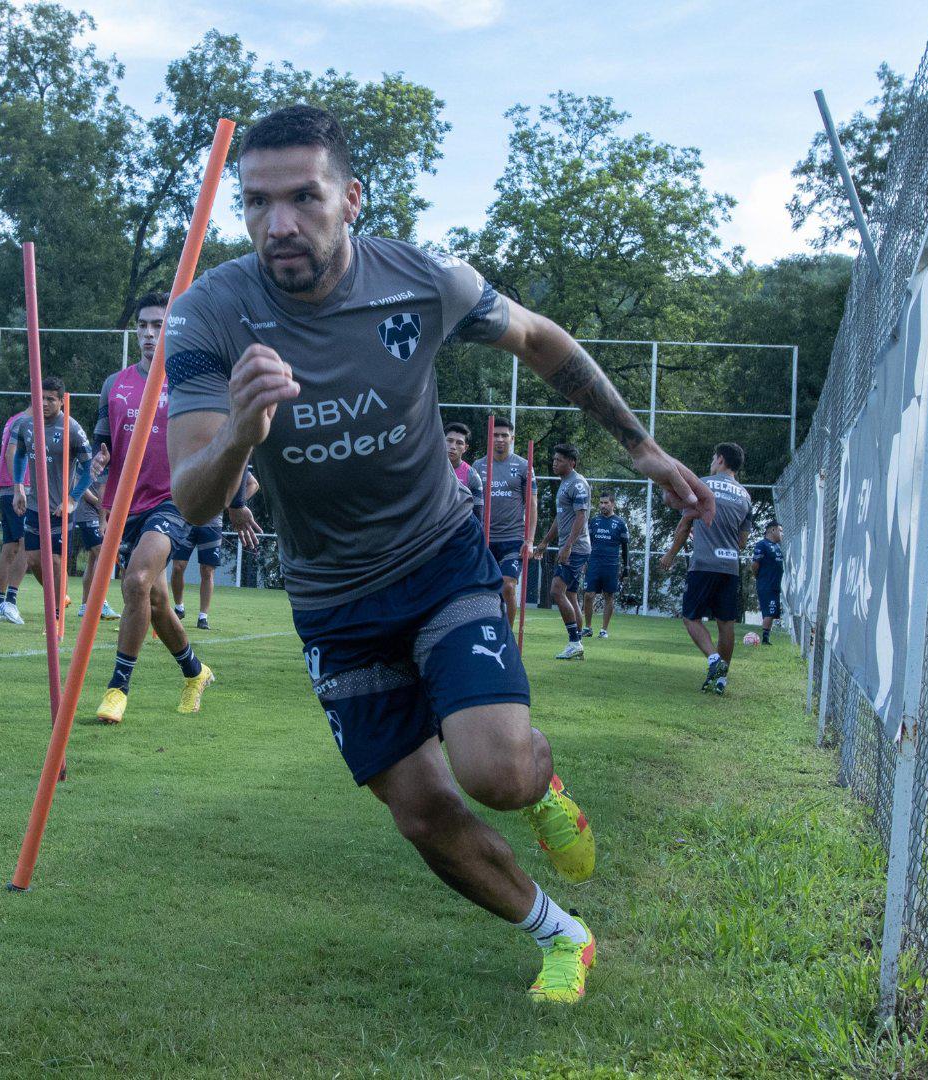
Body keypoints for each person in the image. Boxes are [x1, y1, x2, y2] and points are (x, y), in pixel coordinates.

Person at [164, 106, 712, 1005]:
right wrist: (239, 434)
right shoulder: (209, 314)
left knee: (493, 772)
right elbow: (193, 495)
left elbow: (539, 338)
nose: (281, 225)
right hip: (333, 598)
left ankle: (541, 790)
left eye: (304, 197)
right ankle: (563, 936)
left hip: (438, 556)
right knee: (419, 810)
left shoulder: (421, 279)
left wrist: (640, 444)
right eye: (257, 203)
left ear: (351, 198)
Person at [91, 293, 215, 724]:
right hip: (127, 502)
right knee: (156, 598)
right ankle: (195, 672)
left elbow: (216, 440)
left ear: (171, 329)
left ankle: (117, 688)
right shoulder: (115, 384)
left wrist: (233, 500)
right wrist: (98, 460)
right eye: (143, 325)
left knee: (137, 579)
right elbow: (101, 442)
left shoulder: (189, 380)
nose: (148, 334)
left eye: (158, 325)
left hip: (175, 499)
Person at [661, 442, 752, 694]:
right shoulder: (745, 495)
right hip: (730, 566)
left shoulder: (703, 486)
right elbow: (742, 541)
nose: (712, 461)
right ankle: (721, 681)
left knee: (691, 617)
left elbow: (684, 524)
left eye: (714, 457)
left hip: (703, 564)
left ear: (720, 459)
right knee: (726, 623)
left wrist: (670, 554)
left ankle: (714, 661)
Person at [8, 377, 93, 628]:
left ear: (61, 400)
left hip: (59, 508)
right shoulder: (26, 424)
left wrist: (72, 498)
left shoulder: (72, 428)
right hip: (35, 504)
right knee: (33, 559)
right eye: (40, 397)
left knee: (55, 561)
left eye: (50, 399)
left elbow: (89, 468)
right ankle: (58, 596)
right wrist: (18, 488)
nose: (44, 403)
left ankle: (56, 615)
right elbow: (20, 454)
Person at [170, 468, 258, 630]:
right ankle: (179, 607)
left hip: (211, 524)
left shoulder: (223, 458)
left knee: (207, 570)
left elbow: (253, 484)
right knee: (177, 567)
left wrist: (234, 505)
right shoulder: (189, 454)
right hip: (185, 521)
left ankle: (203, 617)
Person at [472, 415, 535, 626]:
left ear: (512, 438)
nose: (499, 439)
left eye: (504, 435)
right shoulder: (478, 466)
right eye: (495, 435)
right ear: (490, 437)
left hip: (512, 539)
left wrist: (530, 540)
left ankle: (506, 635)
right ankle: (491, 630)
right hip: (485, 539)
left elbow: (532, 504)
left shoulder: (524, 466)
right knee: (486, 591)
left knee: (508, 586)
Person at [539, 443, 591, 659]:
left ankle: (574, 642)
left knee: (556, 591)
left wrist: (568, 546)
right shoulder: (564, 483)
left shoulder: (577, 484)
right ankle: (577, 643)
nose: (554, 463)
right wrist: (544, 542)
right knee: (569, 594)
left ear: (572, 463)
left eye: (559, 460)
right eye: (554, 459)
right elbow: (561, 518)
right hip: (572, 547)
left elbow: (581, 516)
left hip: (576, 548)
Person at [0, 406, 30, 622]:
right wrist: (19, 486)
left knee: (11, 547)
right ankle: (10, 602)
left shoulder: (14, 418)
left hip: (7, 489)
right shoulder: (24, 421)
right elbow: (11, 452)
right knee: (27, 545)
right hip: (19, 490)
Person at [69, 446, 119, 621]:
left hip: (99, 513)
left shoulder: (115, 459)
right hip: (88, 513)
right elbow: (78, 484)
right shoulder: (90, 455)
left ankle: (85, 605)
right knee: (103, 554)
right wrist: (101, 504)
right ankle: (98, 603)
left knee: (93, 560)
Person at [581, 493, 629, 638]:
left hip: (611, 564)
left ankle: (604, 630)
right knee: (589, 595)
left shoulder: (620, 523)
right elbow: (586, 543)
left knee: (609, 595)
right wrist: (584, 561)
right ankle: (588, 628)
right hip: (594, 563)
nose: (603, 505)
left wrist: (627, 568)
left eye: (606, 503)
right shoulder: (594, 521)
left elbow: (626, 547)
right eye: (601, 503)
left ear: (612, 504)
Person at [751, 520, 785, 645]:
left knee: (772, 611)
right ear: (773, 530)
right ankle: (765, 639)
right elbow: (755, 565)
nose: (782, 534)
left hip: (775, 585)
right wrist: (759, 577)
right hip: (766, 584)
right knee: (769, 611)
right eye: (780, 531)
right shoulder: (762, 545)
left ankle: (766, 638)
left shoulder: (777, 546)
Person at [445, 421, 484, 511]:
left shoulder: (472, 475)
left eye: (459, 443)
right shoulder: (429, 469)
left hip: (460, 524)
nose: (453, 446)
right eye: (449, 441)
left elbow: (478, 511)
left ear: (465, 448)